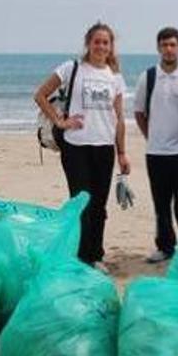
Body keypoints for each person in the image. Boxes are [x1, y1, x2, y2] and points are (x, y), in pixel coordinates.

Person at [33, 22, 129, 273]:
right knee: (80, 204)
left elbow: (119, 119)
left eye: (105, 42)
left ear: (110, 47)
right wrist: (60, 121)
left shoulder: (115, 78)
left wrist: (122, 152)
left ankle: (95, 255)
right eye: (96, 41)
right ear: (88, 43)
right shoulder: (71, 68)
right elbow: (41, 95)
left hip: (104, 147)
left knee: (99, 206)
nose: (100, 46)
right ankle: (78, 256)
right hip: (76, 148)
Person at [134, 27, 178, 264]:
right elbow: (139, 112)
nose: (169, 49)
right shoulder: (148, 77)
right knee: (161, 204)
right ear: (158, 48)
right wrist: (151, 136)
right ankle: (165, 247)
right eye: (164, 45)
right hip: (156, 153)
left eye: (173, 45)